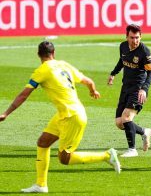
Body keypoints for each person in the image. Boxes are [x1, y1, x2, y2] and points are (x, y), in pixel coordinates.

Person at [0, 41, 121, 193]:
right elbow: (88, 81)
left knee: (65, 158)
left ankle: (106, 155)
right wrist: (93, 91)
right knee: (43, 142)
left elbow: (24, 95)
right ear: (54, 53)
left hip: (72, 116)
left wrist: (6, 113)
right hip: (66, 114)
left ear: (39, 55)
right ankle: (41, 184)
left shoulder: (42, 70)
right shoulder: (64, 64)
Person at [107, 24, 151, 157]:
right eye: (132, 38)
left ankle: (132, 150)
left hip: (138, 89)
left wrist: (144, 89)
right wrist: (113, 73)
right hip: (125, 87)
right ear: (126, 37)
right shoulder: (122, 46)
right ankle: (144, 131)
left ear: (141, 37)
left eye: (137, 38)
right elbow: (122, 61)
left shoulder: (144, 52)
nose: (135, 41)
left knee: (126, 117)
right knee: (119, 123)